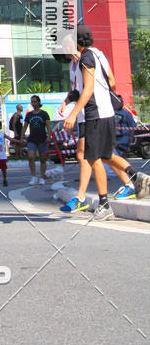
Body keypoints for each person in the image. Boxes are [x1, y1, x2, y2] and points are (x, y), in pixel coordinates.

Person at [63, 25, 150, 219]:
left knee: (94, 158)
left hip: (95, 113)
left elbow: (88, 89)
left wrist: (73, 113)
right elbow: (111, 81)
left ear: (77, 42)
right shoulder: (97, 54)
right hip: (105, 112)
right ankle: (136, 177)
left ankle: (104, 204)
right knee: (103, 154)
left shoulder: (86, 58)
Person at [22, 95, 52, 184]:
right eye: (32, 102)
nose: (33, 103)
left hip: (42, 139)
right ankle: (33, 176)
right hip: (32, 139)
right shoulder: (29, 114)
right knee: (31, 157)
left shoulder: (44, 114)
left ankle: (42, 177)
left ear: (39, 102)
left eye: (35, 101)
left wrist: (49, 136)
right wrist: (22, 136)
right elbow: (25, 126)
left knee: (42, 159)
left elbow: (48, 126)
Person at [0, 118, 18, 187]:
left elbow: (10, 138)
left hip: (1, 155)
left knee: (3, 169)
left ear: (0, 127)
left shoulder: (2, 134)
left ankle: (4, 179)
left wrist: (18, 141)